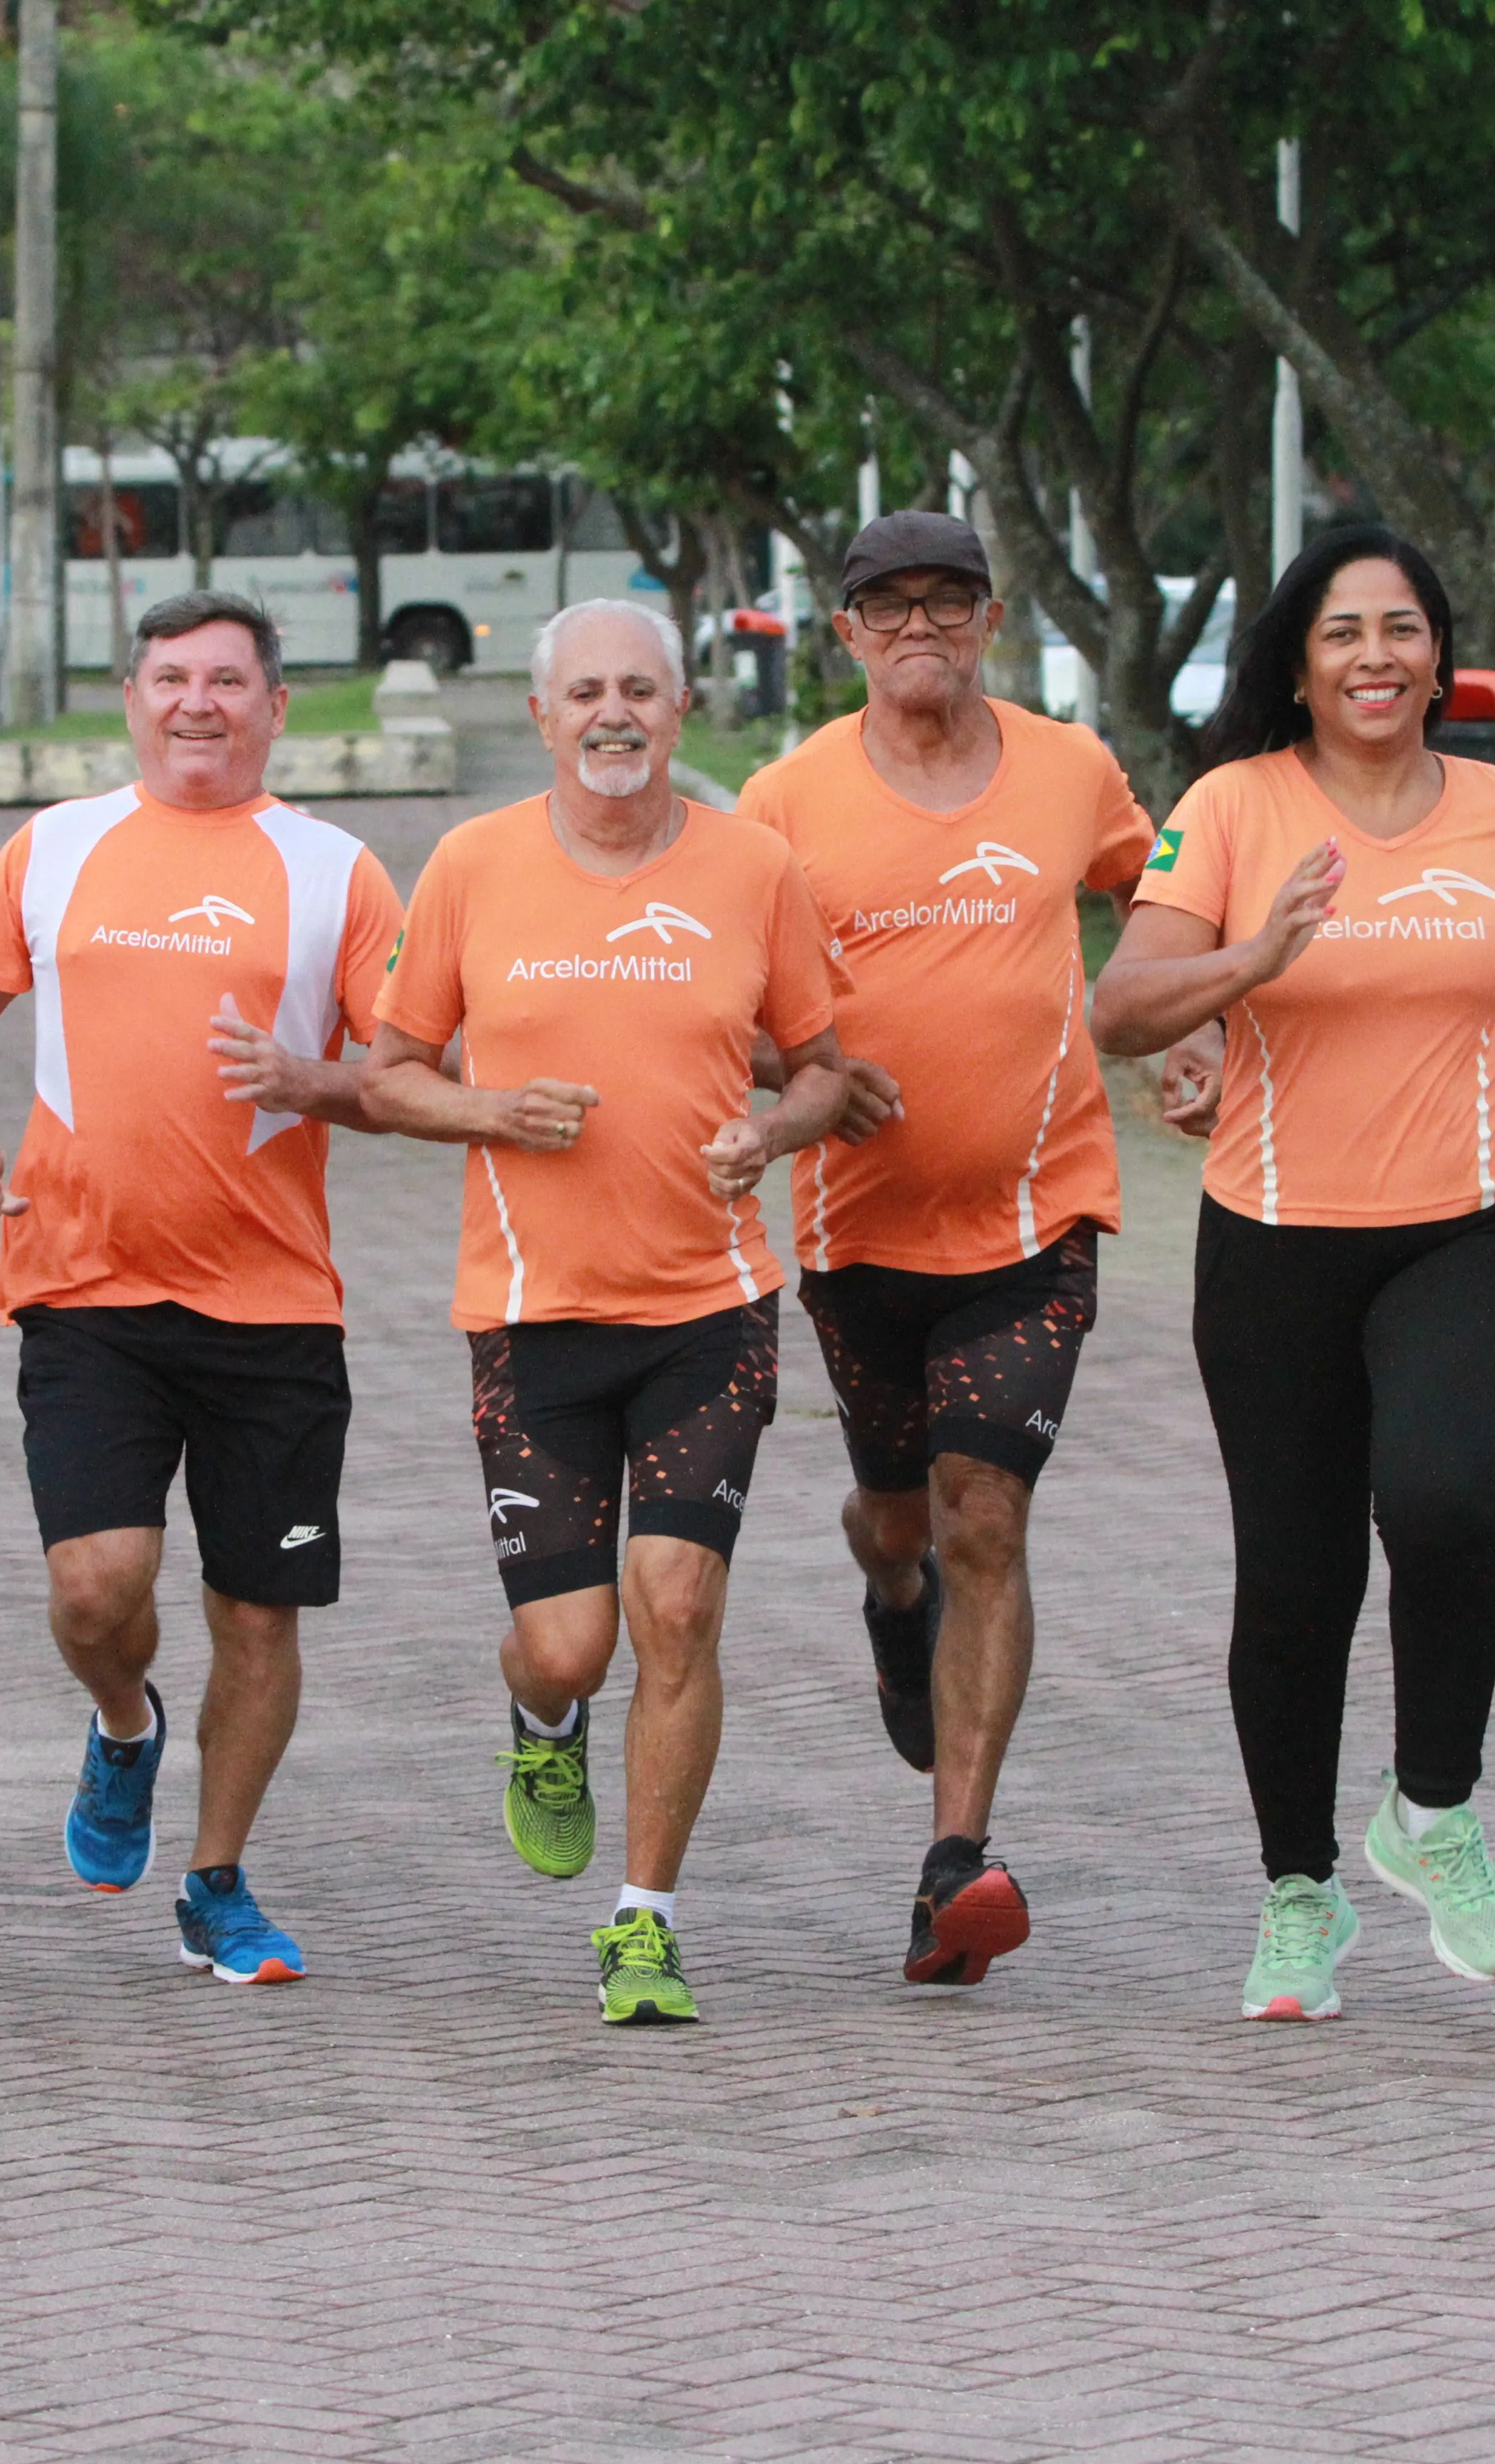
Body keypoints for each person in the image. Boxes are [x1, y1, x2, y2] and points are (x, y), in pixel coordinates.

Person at [1091, 526, 1495, 2025]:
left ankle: (1435, 1812)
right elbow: (1121, 1006)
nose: (1376, 656)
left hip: (1476, 1218)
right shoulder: (1234, 806)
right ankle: (1298, 1895)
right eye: (1344, 633)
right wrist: (1251, 961)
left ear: (1440, 659)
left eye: (1402, 629)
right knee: (1299, 1580)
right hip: (1273, 1242)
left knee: (1448, 1494)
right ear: (1301, 663)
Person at [361, 598, 854, 2026]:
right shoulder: (470, 865)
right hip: (530, 1317)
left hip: (711, 1307)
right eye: (585, 693)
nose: (612, 715)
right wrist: (488, 1107)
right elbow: (389, 1073)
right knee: (574, 1644)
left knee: (680, 1609)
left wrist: (777, 1132)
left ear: (683, 708)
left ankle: (644, 1921)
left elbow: (823, 1064)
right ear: (541, 716)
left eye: (640, 689)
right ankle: (543, 1715)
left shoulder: (756, 866)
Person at [0, 592, 404, 1988]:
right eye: (172, 678)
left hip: (276, 1308)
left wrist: (317, 1082)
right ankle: (125, 1725)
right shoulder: (53, 849)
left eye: (230, 681)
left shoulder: (339, 872)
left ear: (277, 707)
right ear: (130, 696)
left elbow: (412, 1070)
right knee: (98, 1586)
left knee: (258, 1613)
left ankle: (215, 1881)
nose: (199, 702)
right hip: (84, 1284)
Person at [734, 508, 1157, 1986]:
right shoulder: (778, 805)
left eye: (948, 603)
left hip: (1041, 1214)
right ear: (843, 633)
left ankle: (953, 1865)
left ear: (991, 618)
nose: (920, 628)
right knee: (902, 1520)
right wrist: (799, 1091)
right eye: (887, 607)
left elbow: (1152, 897)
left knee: (987, 1513)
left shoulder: (1072, 769)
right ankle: (888, 1598)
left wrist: (1202, 1032)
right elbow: (732, 1013)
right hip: (861, 1237)